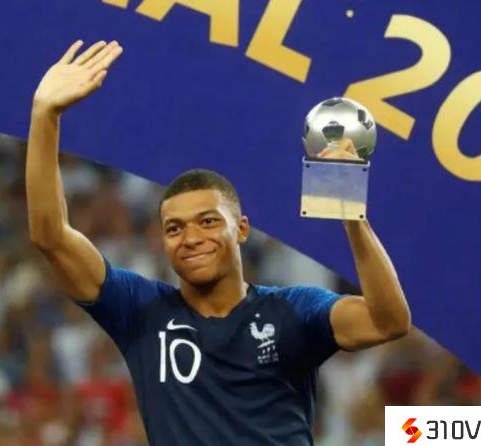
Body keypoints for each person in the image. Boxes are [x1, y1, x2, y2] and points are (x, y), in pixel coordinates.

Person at [26, 39, 411, 446]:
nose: (191, 238)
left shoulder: (293, 310)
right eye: (174, 229)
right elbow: (51, 236)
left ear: (241, 229)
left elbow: (389, 321)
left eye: (208, 222)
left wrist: (351, 213)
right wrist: (44, 116)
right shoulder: (141, 311)